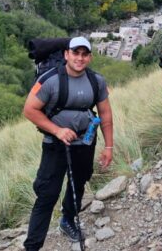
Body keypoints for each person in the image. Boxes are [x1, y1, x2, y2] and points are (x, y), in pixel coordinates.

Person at [22, 37, 114, 250]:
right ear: (66, 54)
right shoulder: (50, 80)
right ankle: (32, 246)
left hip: (85, 141)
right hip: (55, 144)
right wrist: (57, 130)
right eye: (75, 53)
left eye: (84, 54)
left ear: (89, 57)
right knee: (47, 194)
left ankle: (68, 220)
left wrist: (108, 147)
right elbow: (29, 110)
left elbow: (106, 114)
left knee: (78, 183)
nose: (79, 58)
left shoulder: (96, 81)